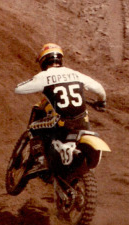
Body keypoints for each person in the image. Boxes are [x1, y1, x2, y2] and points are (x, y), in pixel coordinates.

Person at [15, 43, 106, 176]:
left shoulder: (44, 76)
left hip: (62, 123)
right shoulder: (75, 74)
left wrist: (39, 85)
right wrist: (101, 102)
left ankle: (40, 160)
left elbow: (19, 89)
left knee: (34, 127)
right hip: (82, 123)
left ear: (43, 61)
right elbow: (99, 89)